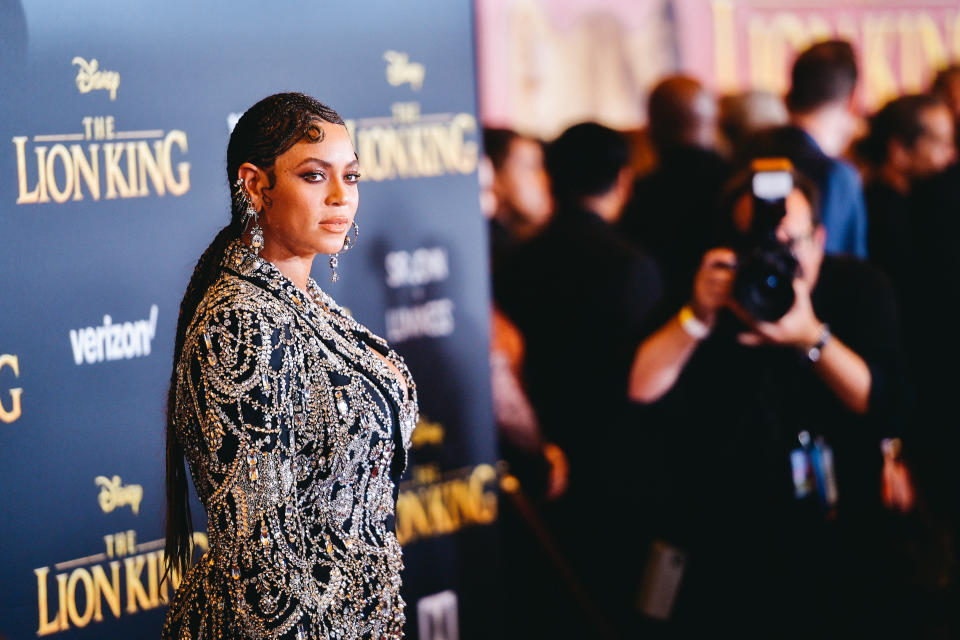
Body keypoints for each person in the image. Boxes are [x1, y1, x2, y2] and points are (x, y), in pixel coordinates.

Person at [161, 93, 418, 640]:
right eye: (313, 176)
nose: (339, 198)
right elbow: (261, 570)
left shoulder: (305, 302)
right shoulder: (240, 325)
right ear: (255, 185)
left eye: (350, 178)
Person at [627, 165, 907, 636]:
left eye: (790, 242)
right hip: (727, 532)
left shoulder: (859, 287)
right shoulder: (712, 288)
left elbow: (882, 402)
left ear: (819, 239)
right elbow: (640, 388)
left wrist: (810, 338)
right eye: (759, 243)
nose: (777, 258)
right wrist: (696, 318)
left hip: (838, 530)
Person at [495, 122, 661, 635]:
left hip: (542, 455)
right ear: (624, 180)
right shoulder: (634, 267)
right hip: (619, 466)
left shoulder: (517, 260)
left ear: (551, 177)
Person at [619, 75, 731, 311]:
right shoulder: (737, 187)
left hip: (657, 328)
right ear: (713, 122)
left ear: (650, 128)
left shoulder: (634, 195)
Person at [749, 40, 868, 257]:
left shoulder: (745, 155)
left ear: (788, 98)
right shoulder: (837, 177)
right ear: (853, 101)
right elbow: (844, 270)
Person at [856, 94, 955, 293]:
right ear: (899, 151)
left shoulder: (920, 202)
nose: (951, 154)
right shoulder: (882, 212)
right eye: (939, 143)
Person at [482, 128, 553, 275]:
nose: (542, 180)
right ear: (493, 176)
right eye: (529, 168)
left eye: (541, 168)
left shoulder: (528, 243)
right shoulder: (485, 251)